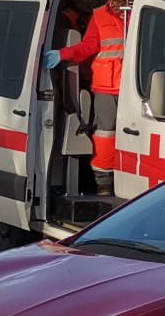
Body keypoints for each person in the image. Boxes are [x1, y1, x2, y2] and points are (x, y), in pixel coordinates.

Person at [44, 0, 131, 196]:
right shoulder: (99, 16)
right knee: (106, 135)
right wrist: (63, 54)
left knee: (134, 136)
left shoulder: (141, 12)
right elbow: (88, 46)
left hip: (135, 88)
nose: (117, 3)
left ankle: (129, 177)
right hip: (107, 87)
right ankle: (104, 182)